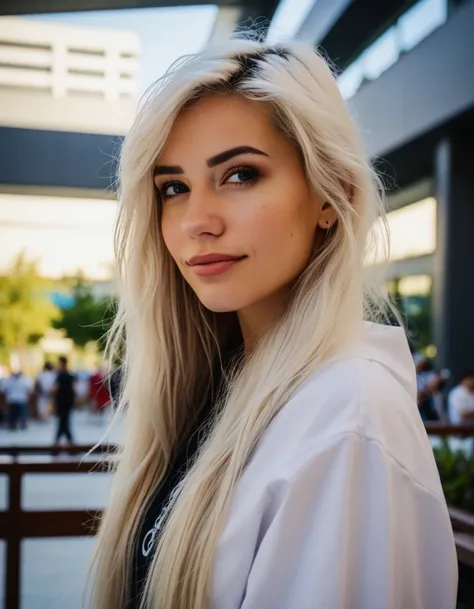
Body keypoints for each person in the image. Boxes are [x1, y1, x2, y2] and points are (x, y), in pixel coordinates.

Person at [89, 39, 457, 609]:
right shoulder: (218, 385)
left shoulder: (348, 416)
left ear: (333, 195)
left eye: (239, 175)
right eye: (173, 188)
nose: (196, 222)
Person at [52, 356, 76, 447]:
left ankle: (60, 442)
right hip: (68, 402)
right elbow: (74, 389)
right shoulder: (70, 376)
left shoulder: (59, 376)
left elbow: (55, 389)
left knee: (63, 422)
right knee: (64, 422)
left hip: (61, 402)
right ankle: (69, 442)